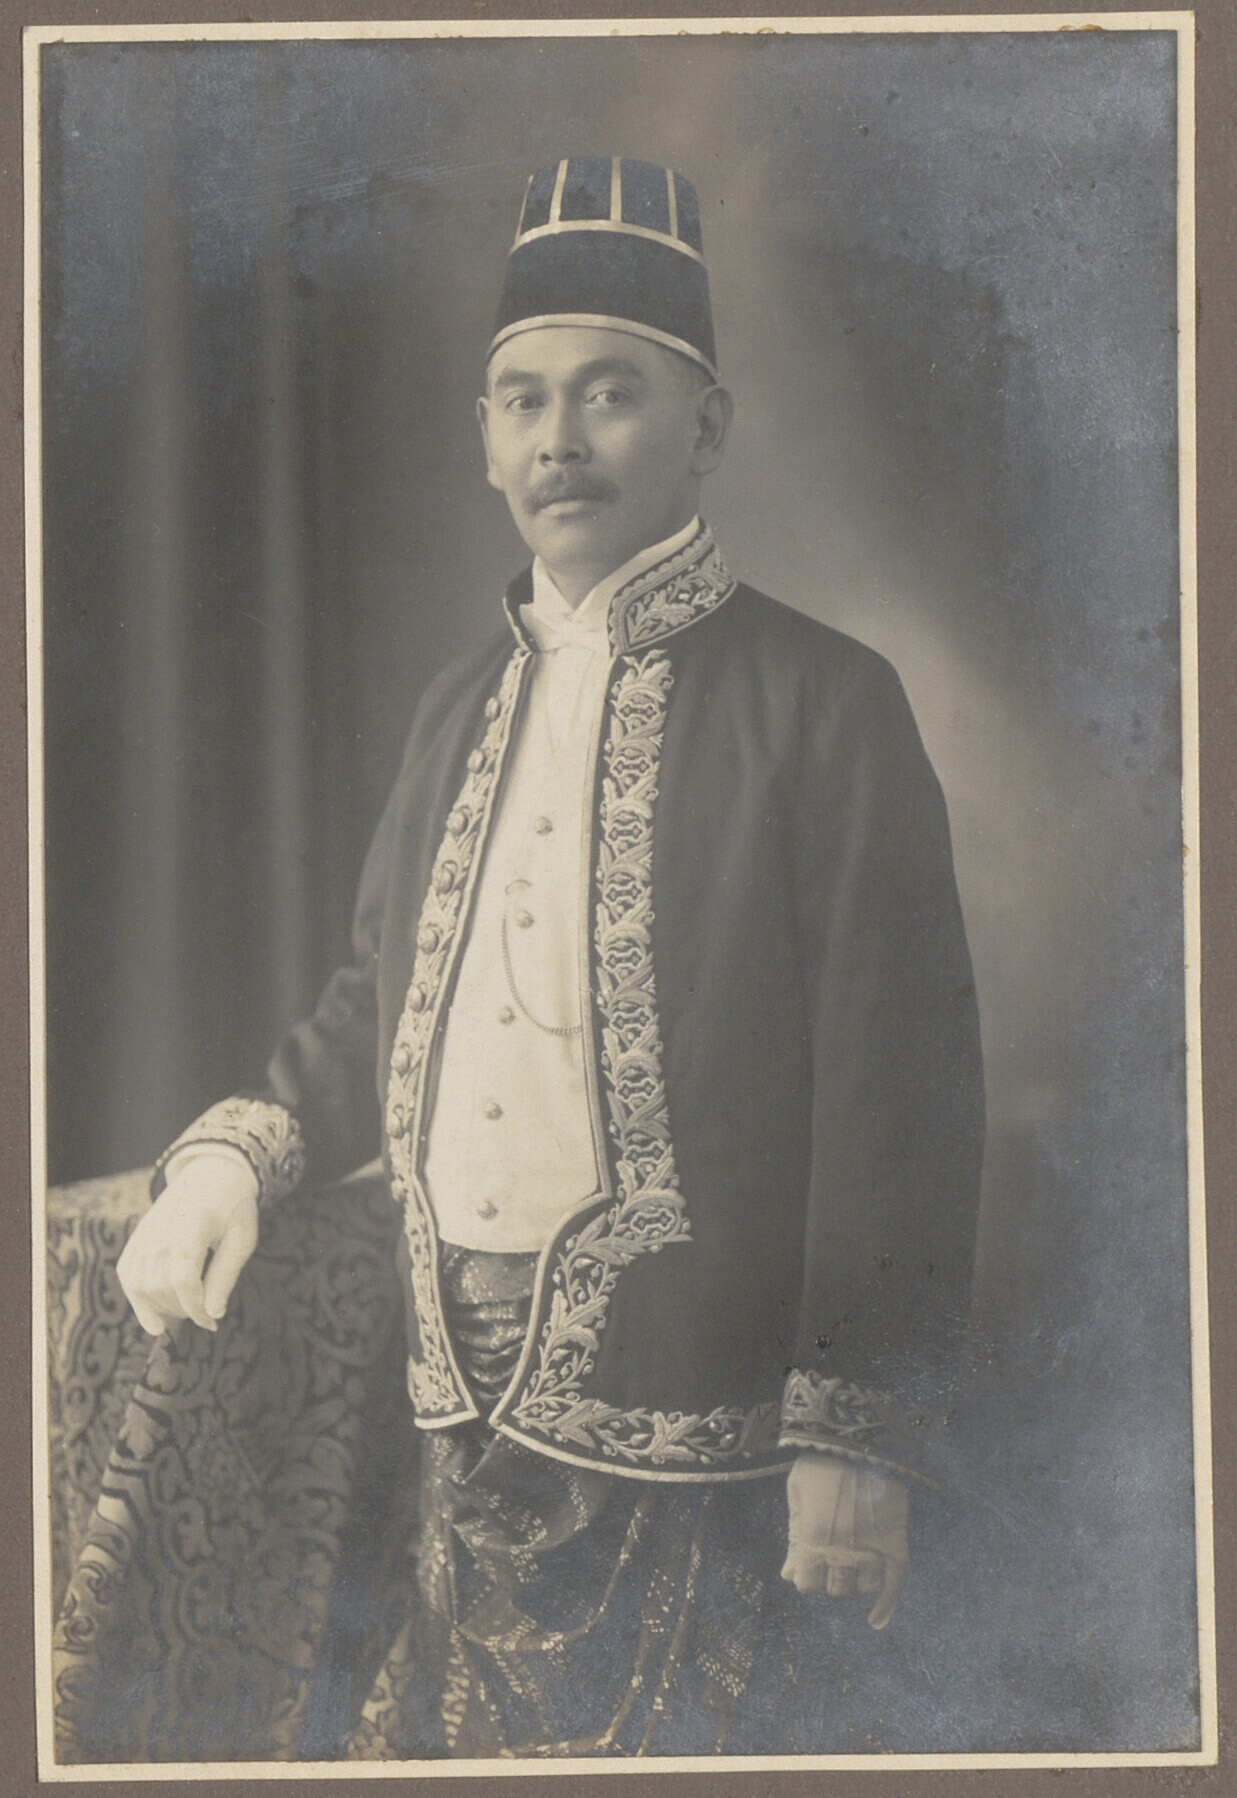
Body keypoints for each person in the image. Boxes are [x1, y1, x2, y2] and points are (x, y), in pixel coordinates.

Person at [116, 155, 984, 1758]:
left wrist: (855, 1428)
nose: (558, 439)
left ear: (705, 426)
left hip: (718, 1435)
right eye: (522, 400)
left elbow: (902, 1100)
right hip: (457, 1419)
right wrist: (237, 1153)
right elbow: (376, 1009)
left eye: (610, 393)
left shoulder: (824, 699)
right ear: (483, 437)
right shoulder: (457, 706)